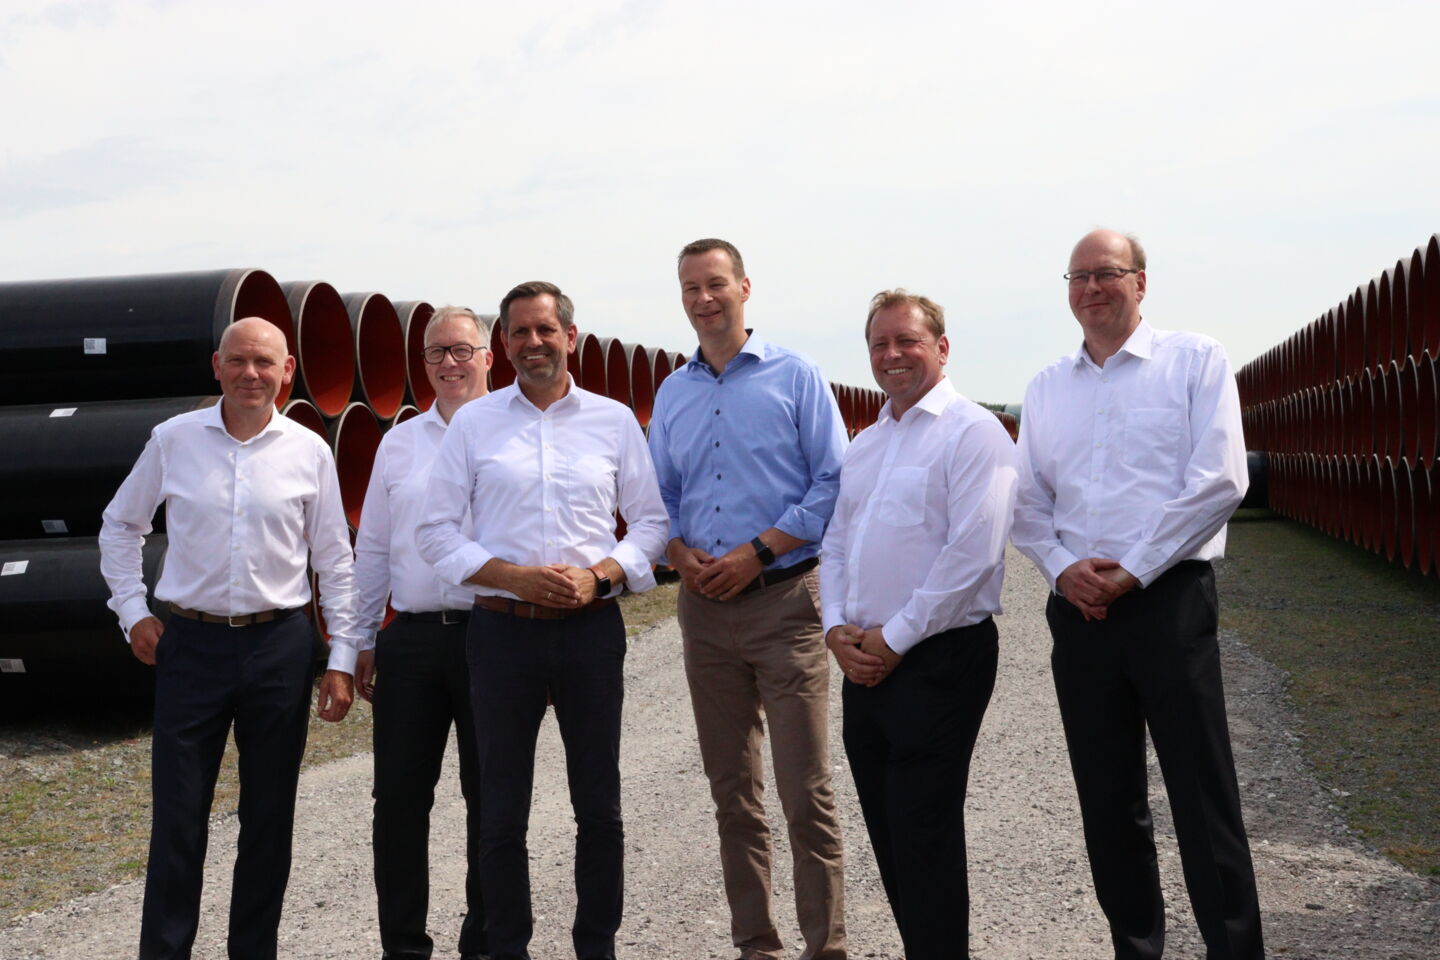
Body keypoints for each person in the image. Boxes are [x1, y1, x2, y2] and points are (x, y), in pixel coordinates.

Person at [1010, 229, 1265, 959]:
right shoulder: (1047, 386)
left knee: (1201, 794)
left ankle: (1234, 949)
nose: (1091, 288)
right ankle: (1136, 947)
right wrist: (1063, 569)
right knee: (1107, 798)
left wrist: (1133, 570)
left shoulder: (1195, 361)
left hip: (1168, 602)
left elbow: (1220, 480)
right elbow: (1027, 500)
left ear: (1141, 283)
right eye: (1078, 277)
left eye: (1107, 273)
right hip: (1079, 613)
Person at [416, 281, 668, 960]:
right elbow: (434, 531)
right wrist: (510, 576)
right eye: (520, 332)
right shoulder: (474, 424)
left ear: (570, 337)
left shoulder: (614, 421)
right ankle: (508, 947)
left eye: (546, 330)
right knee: (501, 810)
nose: (534, 343)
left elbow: (651, 523)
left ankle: (597, 946)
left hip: (591, 630)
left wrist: (601, 575)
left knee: (599, 806)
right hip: (502, 632)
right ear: (504, 344)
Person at [99, 316, 362, 960]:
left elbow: (335, 559)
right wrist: (133, 611)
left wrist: (342, 656)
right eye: (238, 360)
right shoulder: (174, 440)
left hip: (280, 648)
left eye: (264, 362)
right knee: (178, 817)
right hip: (191, 645)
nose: (251, 374)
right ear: (216, 365)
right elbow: (120, 525)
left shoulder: (309, 451)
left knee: (268, 819)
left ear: (287, 371)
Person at [648, 238, 848, 960]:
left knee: (805, 789)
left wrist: (756, 551)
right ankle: (756, 943)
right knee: (732, 791)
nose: (704, 299)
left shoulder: (796, 376)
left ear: (744, 287)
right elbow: (658, 496)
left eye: (716, 284)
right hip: (704, 612)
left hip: (783, 601)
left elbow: (833, 481)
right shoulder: (673, 392)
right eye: (690, 288)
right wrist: (678, 553)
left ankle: (826, 946)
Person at [820, 290, 1017, 959]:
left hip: (939, 658)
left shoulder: (974, 432)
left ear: (942, 347)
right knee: (889, 833)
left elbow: (973, 555)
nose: (892, 355)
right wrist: (835, 628)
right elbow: (837, 544)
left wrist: (894, 639)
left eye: (907, 341)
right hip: (863, 660)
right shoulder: (867, 444)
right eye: (879, 344)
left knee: (923, 831)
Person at [353, 306, 493, 960]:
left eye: (462, 350)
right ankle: (403, 947)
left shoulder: (513, 433)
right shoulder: (400, 442)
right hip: (409, 641)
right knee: (398, 803)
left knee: (491, 800)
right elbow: (375, 548)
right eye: (436, 352)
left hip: (493, 636)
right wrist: (360, 638)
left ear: (488, 356)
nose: (449, 363)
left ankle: (484, 943)